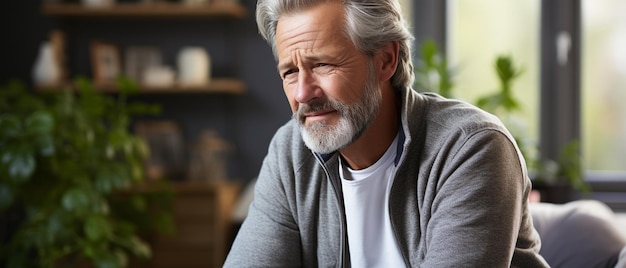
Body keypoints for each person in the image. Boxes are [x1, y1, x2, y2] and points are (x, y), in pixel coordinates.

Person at [224, 0, 549, 267]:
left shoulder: (470, 148)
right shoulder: (291, 153)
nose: (303, 93)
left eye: (323, 64)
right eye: (290, 72)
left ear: (385, 60)